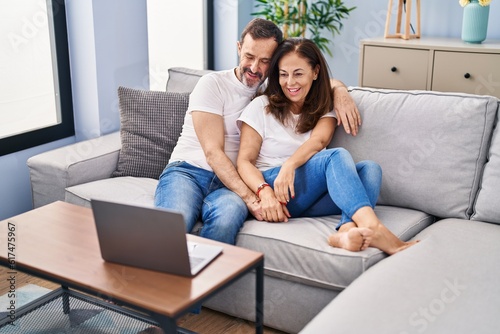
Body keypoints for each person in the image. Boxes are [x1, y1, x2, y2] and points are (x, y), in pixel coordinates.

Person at [154, 18, 361, 245]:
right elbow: (213, 153)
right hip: (188, 173)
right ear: (239, 48)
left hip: (229, 185)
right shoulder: (212, 84)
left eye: (264, 61)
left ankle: (207, 276)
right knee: (175, 224)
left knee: (227, 220)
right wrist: (255, 198)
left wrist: (340, 91)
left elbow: (316, 79)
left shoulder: (271, 89)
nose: (254, 68)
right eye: (249, 57)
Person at [236, 38, 416, 254]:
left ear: (315, 72)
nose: (290, 82)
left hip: (303, 194)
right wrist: (264, 191)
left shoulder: (323, 107)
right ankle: (372, 226)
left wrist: (290, 165)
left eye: (298, 73)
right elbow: (244, 162)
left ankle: (345, 231)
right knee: (335, 156)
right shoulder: (261, 107)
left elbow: (318, 142)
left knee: (370, 169)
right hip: (273, 188)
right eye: (284, 74)